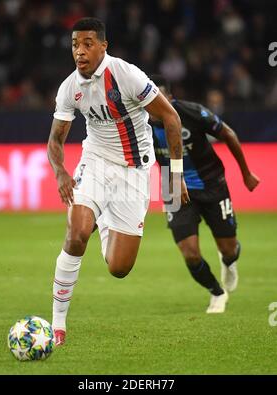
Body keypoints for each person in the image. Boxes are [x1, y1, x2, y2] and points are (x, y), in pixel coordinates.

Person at [47, 18, 189, 346]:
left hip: (133, 173)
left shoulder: (127, 75)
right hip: (94, 162)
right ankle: (57, 325)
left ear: (103, 46)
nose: (79, 51)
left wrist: (175, 174)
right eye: (74, 45)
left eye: (87, 44)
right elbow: (55, 140)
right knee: (77, 231)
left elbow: (171, 117)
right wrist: (61, 172)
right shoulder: (70, 88)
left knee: (119, 268)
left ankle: (107, 219)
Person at [150, 75, 260, 313]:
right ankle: (217, 293)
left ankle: (229, 261)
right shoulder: (139, 123)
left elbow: (228, 134)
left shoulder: (191, 113)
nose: (153, 104)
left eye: (159, 97)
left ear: (169, 98)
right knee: (190, 253)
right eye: (149, 98)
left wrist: (246, 173)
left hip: (211, 183)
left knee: (228, 249)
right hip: (172, 186)